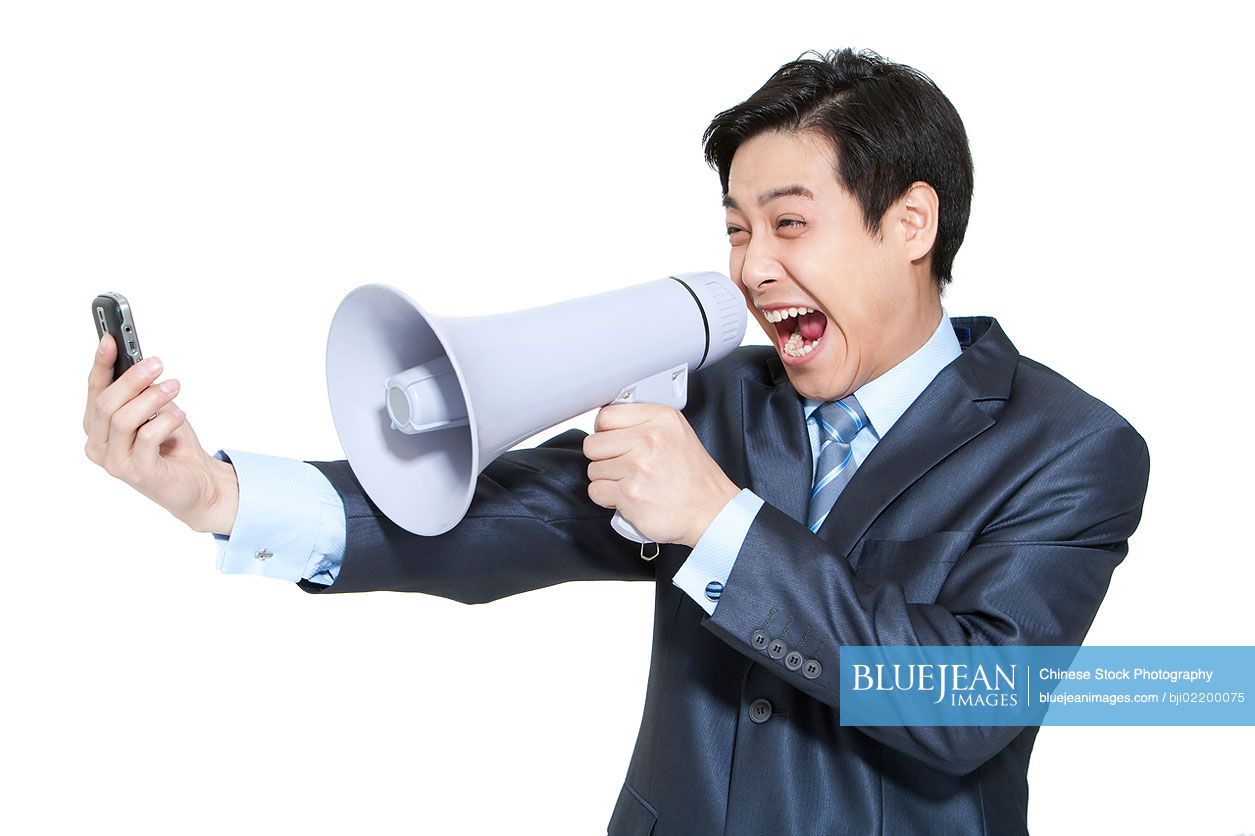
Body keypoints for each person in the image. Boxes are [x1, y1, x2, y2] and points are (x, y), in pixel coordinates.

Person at [82, 48, 1151, 835]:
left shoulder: (1070, 448)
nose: (751, 268)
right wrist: (219, 495)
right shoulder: (719, 399)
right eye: (734, 229)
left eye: (787, 223)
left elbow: (966, 706)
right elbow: (498, 519)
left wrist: (719, 524)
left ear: (909, 224)